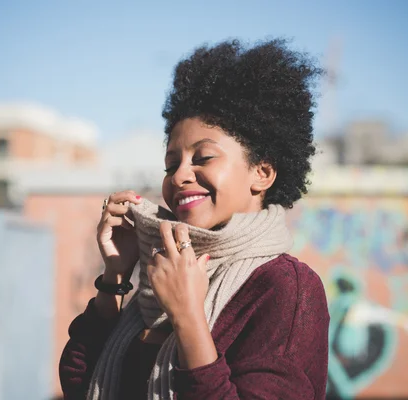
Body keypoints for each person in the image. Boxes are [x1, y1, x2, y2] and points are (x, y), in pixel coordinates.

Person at [59, 38, 329, 400]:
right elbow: (80, 384)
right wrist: (114, 279)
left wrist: (188, 317)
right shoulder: (161, 275)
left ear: (262, 173)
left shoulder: (285, 288)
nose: (180, 175)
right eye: (171, 164)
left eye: (202, 158)